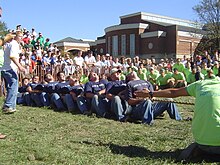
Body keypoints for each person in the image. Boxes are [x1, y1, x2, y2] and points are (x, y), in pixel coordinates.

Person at [134, 79, 220, 161]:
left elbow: (173, 92)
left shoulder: (201, 84)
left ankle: (202, 150)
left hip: (202, 143)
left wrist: (150, 94)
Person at [0, 32, 25, 113]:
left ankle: (11, 106)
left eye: (22, 37)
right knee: (13, 87)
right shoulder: (14, 44)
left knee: (11, 87)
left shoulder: (9, 44)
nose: (21, 38)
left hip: (5, 69)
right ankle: (8, 105)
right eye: (20, 37)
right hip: (9, 69)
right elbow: (12, 56)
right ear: (16, 37)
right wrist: (20, 66)